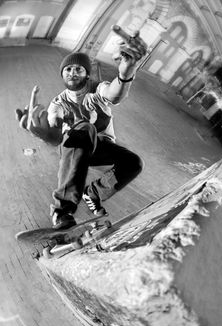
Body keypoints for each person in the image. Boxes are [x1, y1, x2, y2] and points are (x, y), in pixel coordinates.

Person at [15, 28, 147, 229]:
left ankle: (93, 194)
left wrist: (125, 73)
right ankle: (62, 210)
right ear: (63, 75)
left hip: (100, 147)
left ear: (87, 74)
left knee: (134, 163)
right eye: (68, 69)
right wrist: (43, 132)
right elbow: (54, 124)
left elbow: (114, 94)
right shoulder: (58, 102)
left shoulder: (96, 88)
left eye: (79, 69)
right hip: (73, 147)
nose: (73, 72)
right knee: (84, 128)